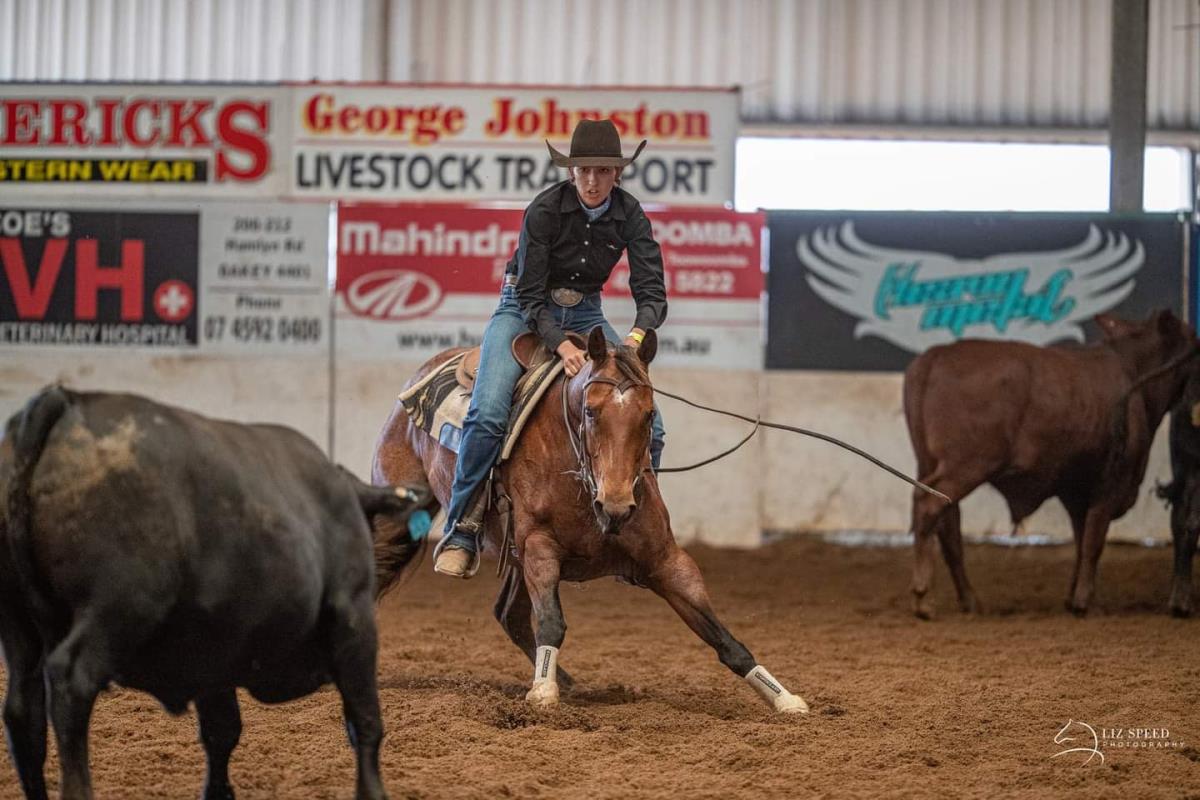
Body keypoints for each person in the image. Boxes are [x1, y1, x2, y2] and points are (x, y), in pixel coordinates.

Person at [434, 119, 668, 578]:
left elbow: (651, 290)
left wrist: (636, 339)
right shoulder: (544, 210)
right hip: (522, 309)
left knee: (652, 426)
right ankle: (462, 527)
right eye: (584, 170)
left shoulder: (631, 214)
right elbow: (529, 294)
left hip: (587, 311)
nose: (593, 180)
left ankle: (633, 528)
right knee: (488, 412)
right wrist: (559, 345)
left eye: (603, 171)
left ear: (617, 173)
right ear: (571, 172)